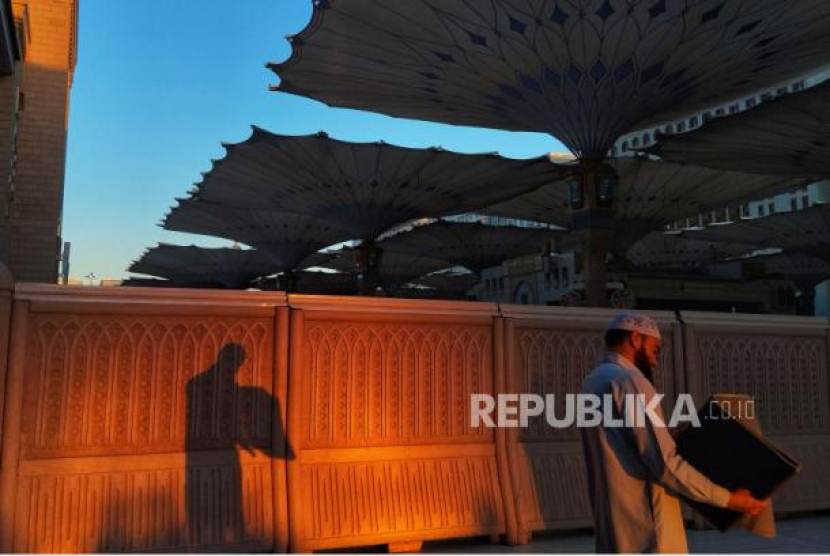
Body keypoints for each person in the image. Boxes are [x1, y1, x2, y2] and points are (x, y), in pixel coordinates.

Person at [579, 311, 768, 553]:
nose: (656, 360)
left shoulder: (593, 381)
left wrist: (663, 433)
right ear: (636, 339)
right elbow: (666, 465)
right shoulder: (631, 381)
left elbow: (619, 440)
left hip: (616, 528)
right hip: (648, 531)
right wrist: (729, 499)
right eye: (655, 349)